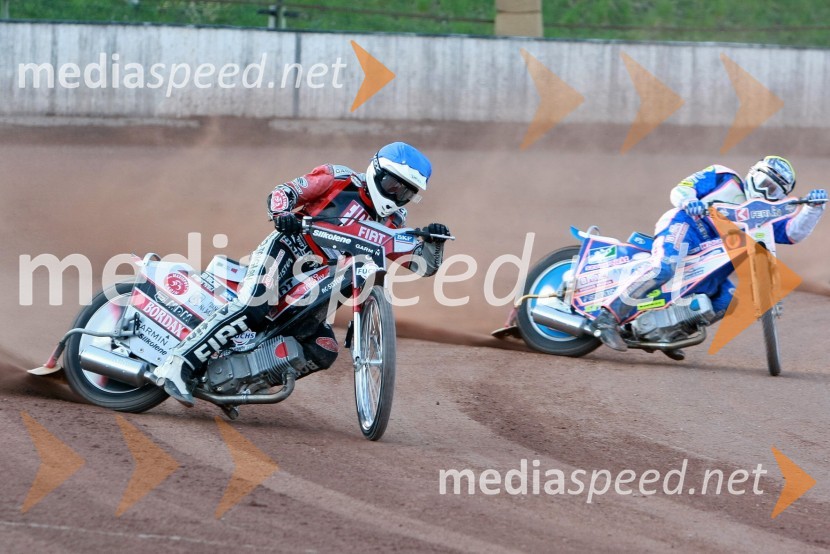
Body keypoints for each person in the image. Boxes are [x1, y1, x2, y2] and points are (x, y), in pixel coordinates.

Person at [153, 142, 451, 406]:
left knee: (324, 349)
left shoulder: (395, 220)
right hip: (288, 249)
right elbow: (286, 192)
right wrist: (282, 215)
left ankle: (238, 384)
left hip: (321, 279)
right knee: (253, 307)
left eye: (406, 191)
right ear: (375, 171)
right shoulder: (339, 178)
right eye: (392, 184)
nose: (397, 194)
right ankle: (178, 364)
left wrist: (434, 243)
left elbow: (421, 266)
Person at [592, 156, 827, 353]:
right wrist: (689, 201)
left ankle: (668, 334)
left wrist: (813, 208)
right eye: (765, 183)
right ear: (754, 173)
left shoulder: (764, 215)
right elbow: (682, 188)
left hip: (715, 258)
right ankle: (607, 318)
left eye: (775, 191)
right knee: (665, 266)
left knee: (727, 300)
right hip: (688, 226)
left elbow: (792, 233)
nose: (767, 192)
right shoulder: (723, 176)